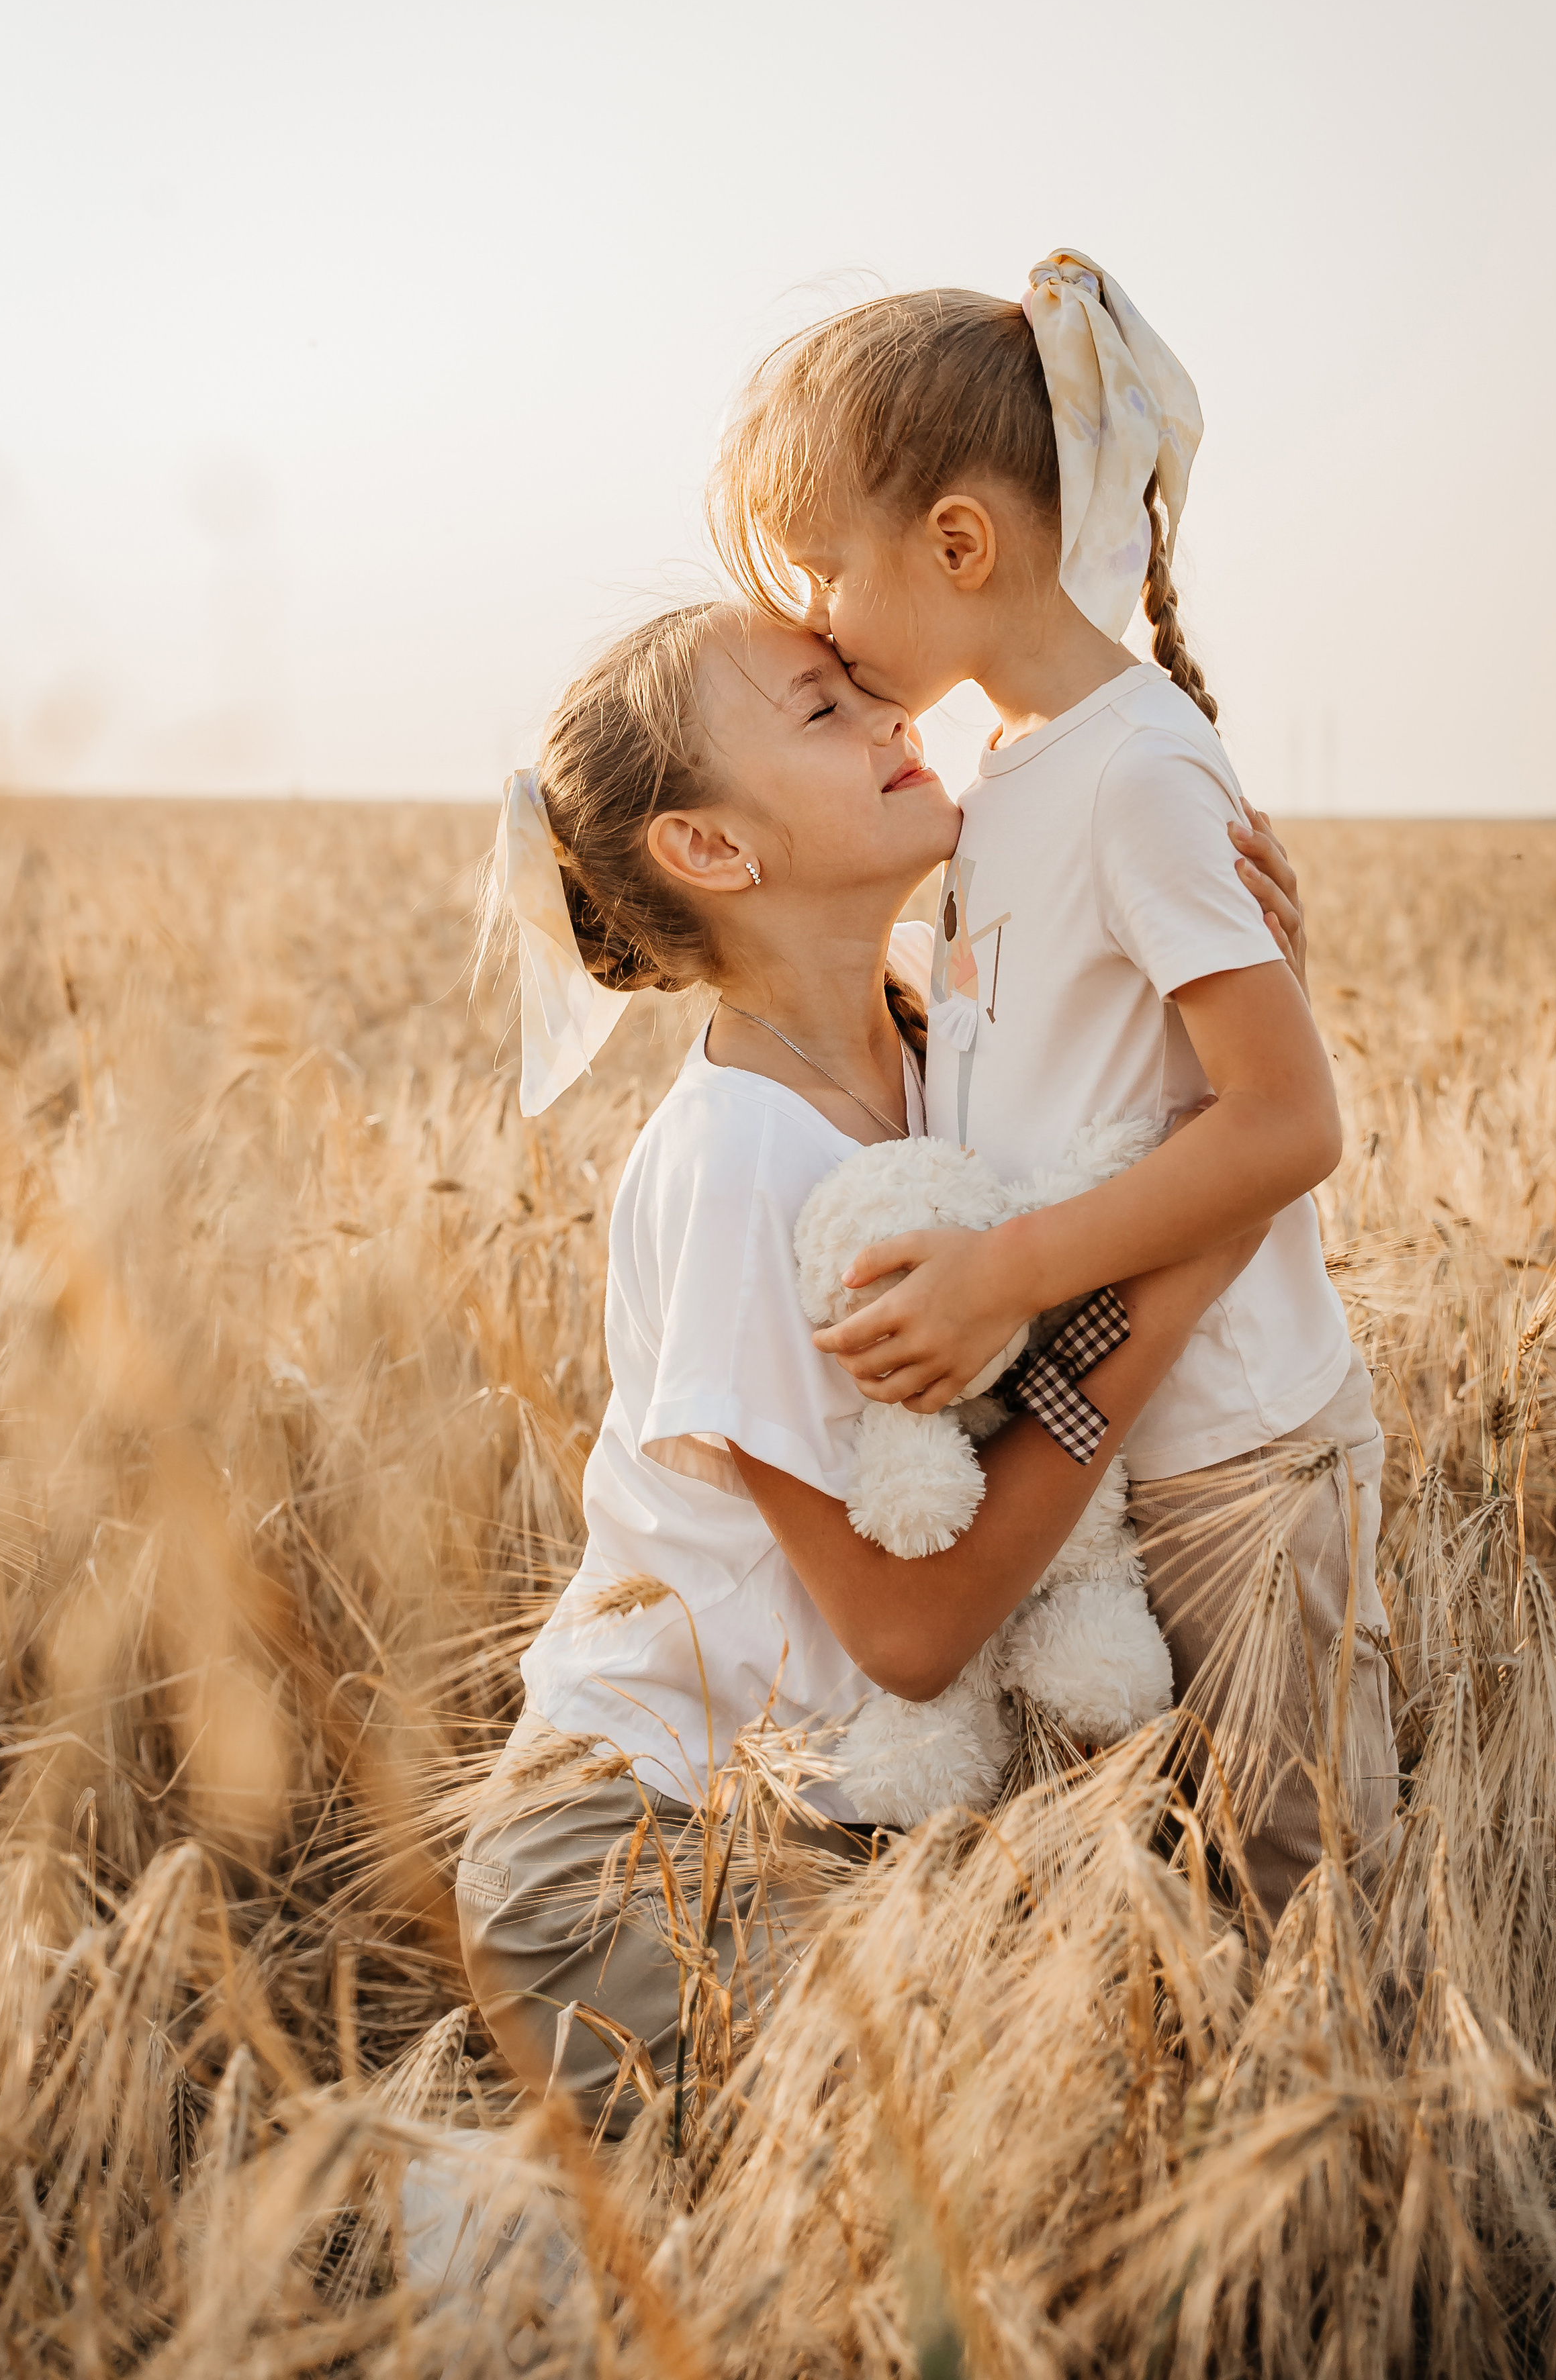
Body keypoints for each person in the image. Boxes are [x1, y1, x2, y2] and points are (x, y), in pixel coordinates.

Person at [456, 599, 1294, 2132]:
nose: (893, 717)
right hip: (631, 1856)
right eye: (822, 712)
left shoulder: (938, 1021)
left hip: (828, 1816)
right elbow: (904, 1630)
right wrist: (1175, 1285)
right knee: (975, 2150)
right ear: (712, 851)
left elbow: (1177, 1129)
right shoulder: (731, 1162)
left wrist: (1239, 986)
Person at [709, 247, 1399, 1930]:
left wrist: (1003, 1276)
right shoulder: (1007, 776)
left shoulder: (1140, 770)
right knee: (1156, 1911)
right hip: (1106, 1462)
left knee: (1293, 1908)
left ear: (956, 544)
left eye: (820, 572)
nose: (810, 619)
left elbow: (1287, 1123)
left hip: (1238, 1456)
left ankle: (1367, 2194)